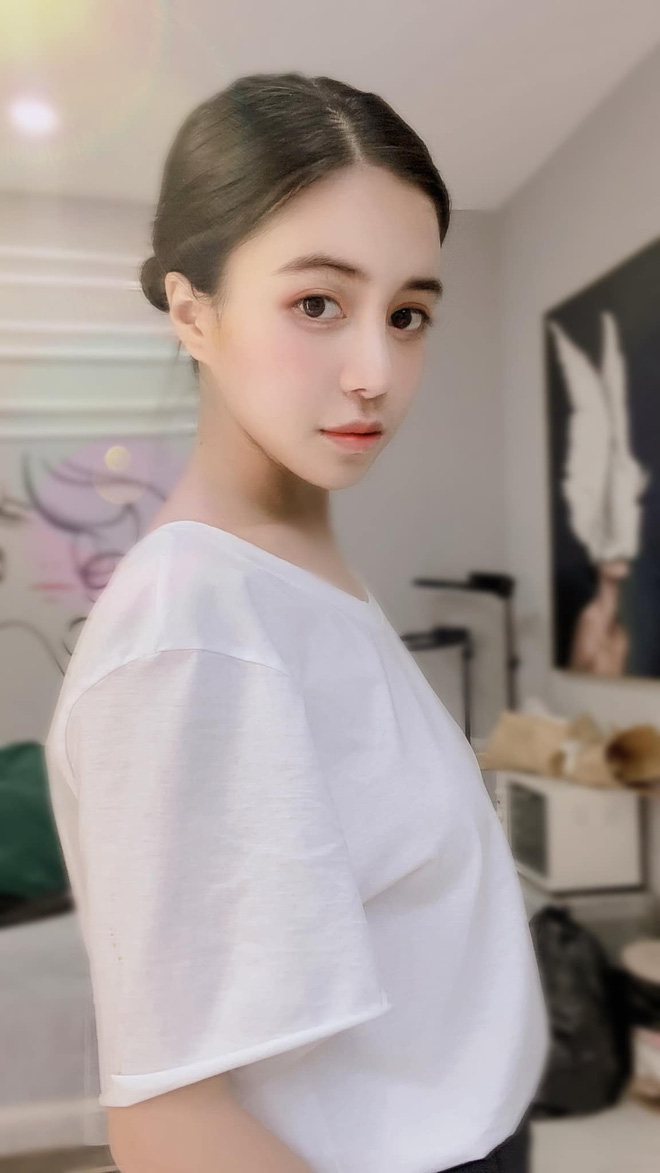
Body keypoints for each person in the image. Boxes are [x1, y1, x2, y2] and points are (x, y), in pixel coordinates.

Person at [44, 72, 550, 1173]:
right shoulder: (196, 630)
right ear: (194, 313)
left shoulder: (297, 573)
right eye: (318, 303)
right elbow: (173, 1129)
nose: (376, 374)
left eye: (407, 315)